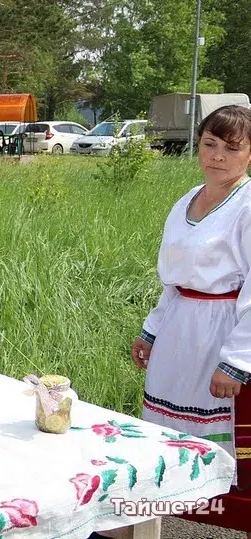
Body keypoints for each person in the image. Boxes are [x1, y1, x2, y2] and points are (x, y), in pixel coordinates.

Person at [131, 105, 251, 535]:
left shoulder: (248, 205)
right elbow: (175, 280)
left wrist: (235, 362)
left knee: (221, 432)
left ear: (250, 153)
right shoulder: (188, 199)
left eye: (232, 148)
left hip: (222, 330)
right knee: (166, 433)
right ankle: (164, 509)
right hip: (179, 328)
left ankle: (221, 512)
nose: (217, 156)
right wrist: (152, 330)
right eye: (209, 144)